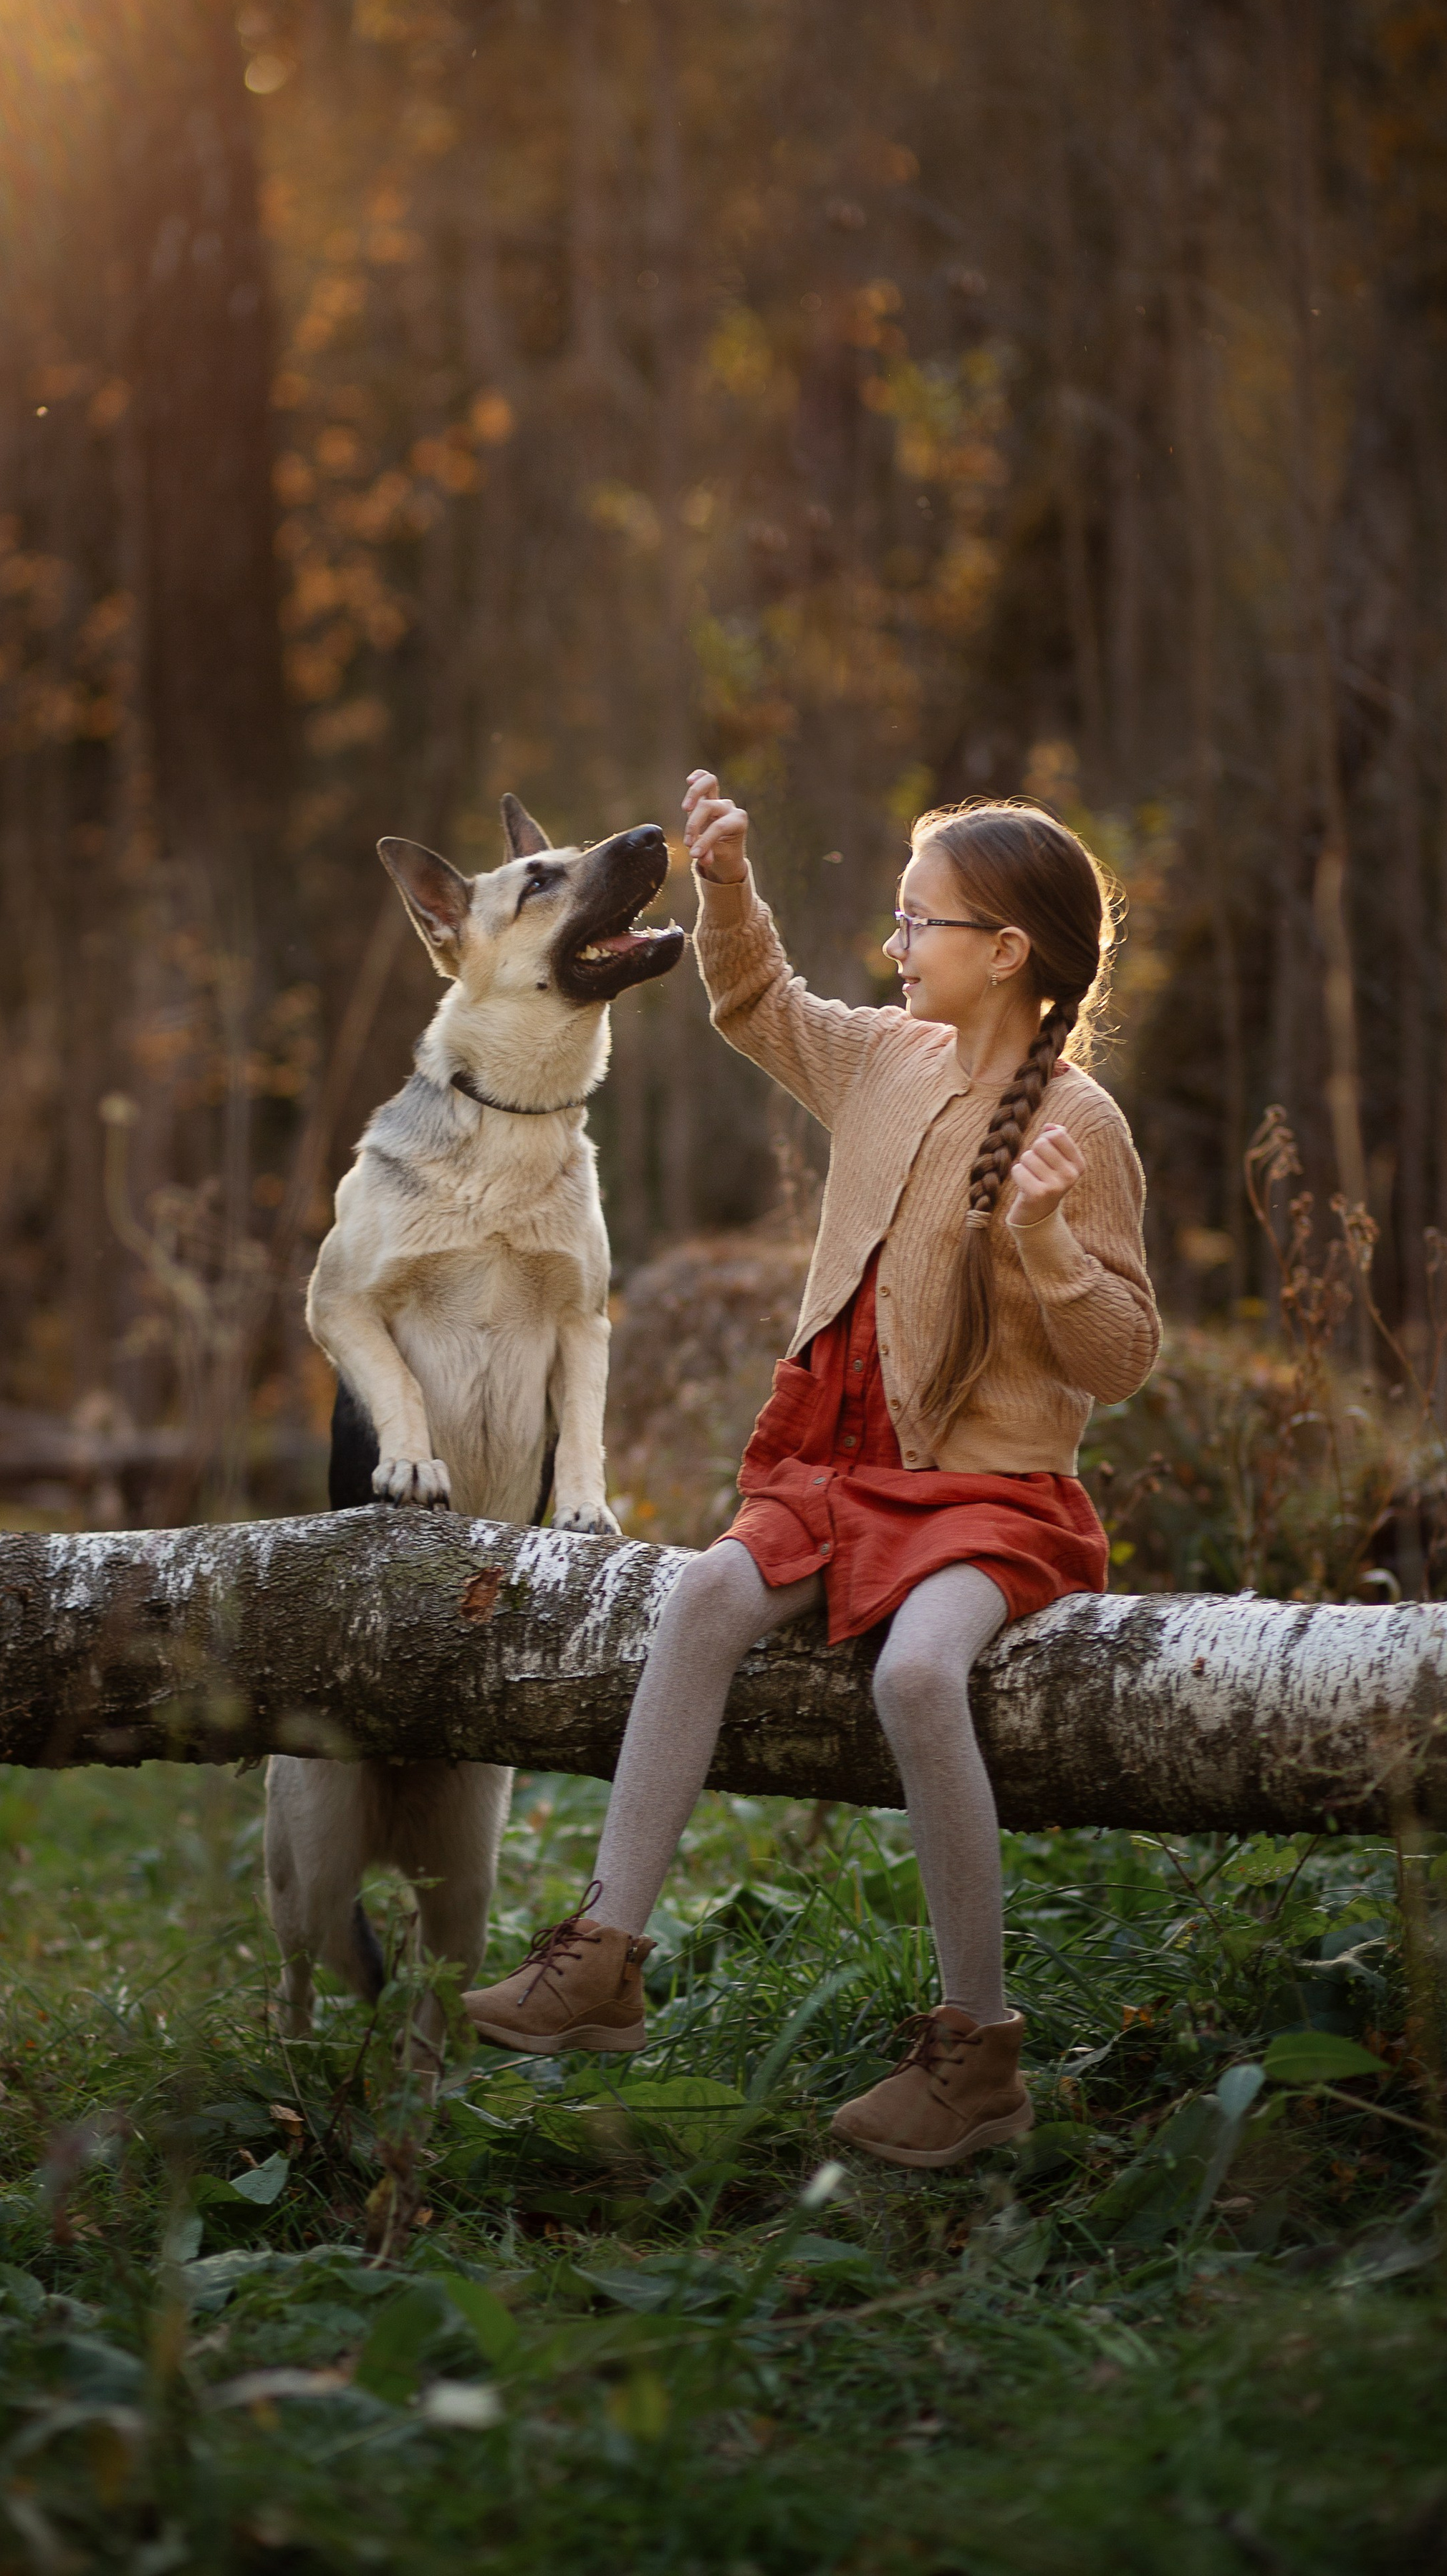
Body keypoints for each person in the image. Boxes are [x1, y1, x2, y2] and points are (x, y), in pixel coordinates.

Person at [462, 770, 1160, 2169]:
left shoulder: (1079, 1129)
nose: (896, 944)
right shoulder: (887, 1056)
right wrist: (722, 882)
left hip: (988, 1496)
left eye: (920, 922)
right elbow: (757, 1002)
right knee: (703, 1601)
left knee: (914, 1675)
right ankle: (602, 1954)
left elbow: (1123, 1355)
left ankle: (976, 2050)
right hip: (835, 1470)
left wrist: (1046, 1253)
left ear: (1004, 951)